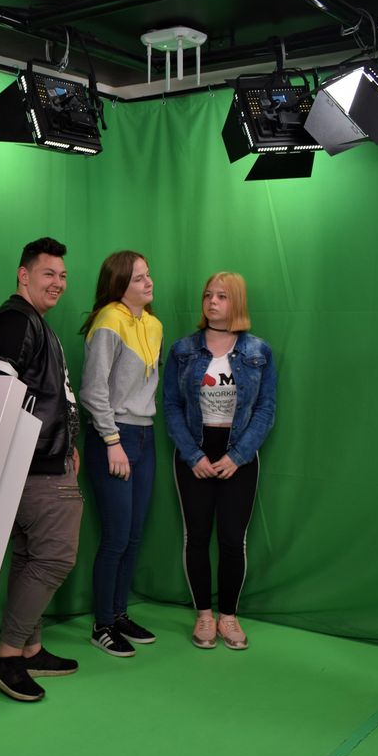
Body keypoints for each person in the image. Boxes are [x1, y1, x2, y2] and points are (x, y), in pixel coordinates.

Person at [0, 237, 82, 702]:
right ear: (23, 275)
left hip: (44, 458)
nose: (58, 282)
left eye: (62, 275)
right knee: (55, 557)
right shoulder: (16, 320)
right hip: (35, 467)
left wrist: (68, 441)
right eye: (48, 274)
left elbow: (47, 393)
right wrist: (32, 451)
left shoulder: (35, 321)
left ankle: (28, 649)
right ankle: (6, 655)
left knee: (31, 556)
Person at [162, 272, 276, 651]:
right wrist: (193, 455)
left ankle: (228, 616)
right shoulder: (182, 350)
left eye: (222, 296)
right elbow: (171, 406)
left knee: (232, 539)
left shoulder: (259, 351)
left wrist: (238, 456)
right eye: (208, 295)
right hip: (194, 452)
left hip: (238, 456)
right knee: (196, 537)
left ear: (237, 302)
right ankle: (204, 616)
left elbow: (266, 409)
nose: (212, 302)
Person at [79, 250, 162, 658]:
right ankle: (102, 625)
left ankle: (119, 613)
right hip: (114, 436)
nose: (148, 282)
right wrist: (112, 441)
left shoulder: (154, 325)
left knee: (133, 535)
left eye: (148, 275)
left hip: (146, 436)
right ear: (119, 285)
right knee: (115, 537)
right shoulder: (109, 320)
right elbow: (93, 390)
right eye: (138, 278)